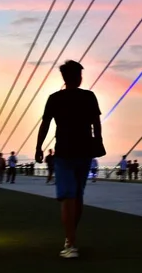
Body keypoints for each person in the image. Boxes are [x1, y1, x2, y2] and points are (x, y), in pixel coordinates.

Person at [35, 60, 102, 259]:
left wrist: (39, 147)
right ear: (79, 77)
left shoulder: (54, 98)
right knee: (77, 196)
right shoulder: (89, 97)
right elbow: (96, 123)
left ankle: (70, 242)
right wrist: (97, 143)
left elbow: (45, 124)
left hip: (63, 151)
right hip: (84, 151)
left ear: (64, 78)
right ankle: (70, 238)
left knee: (68, 197)